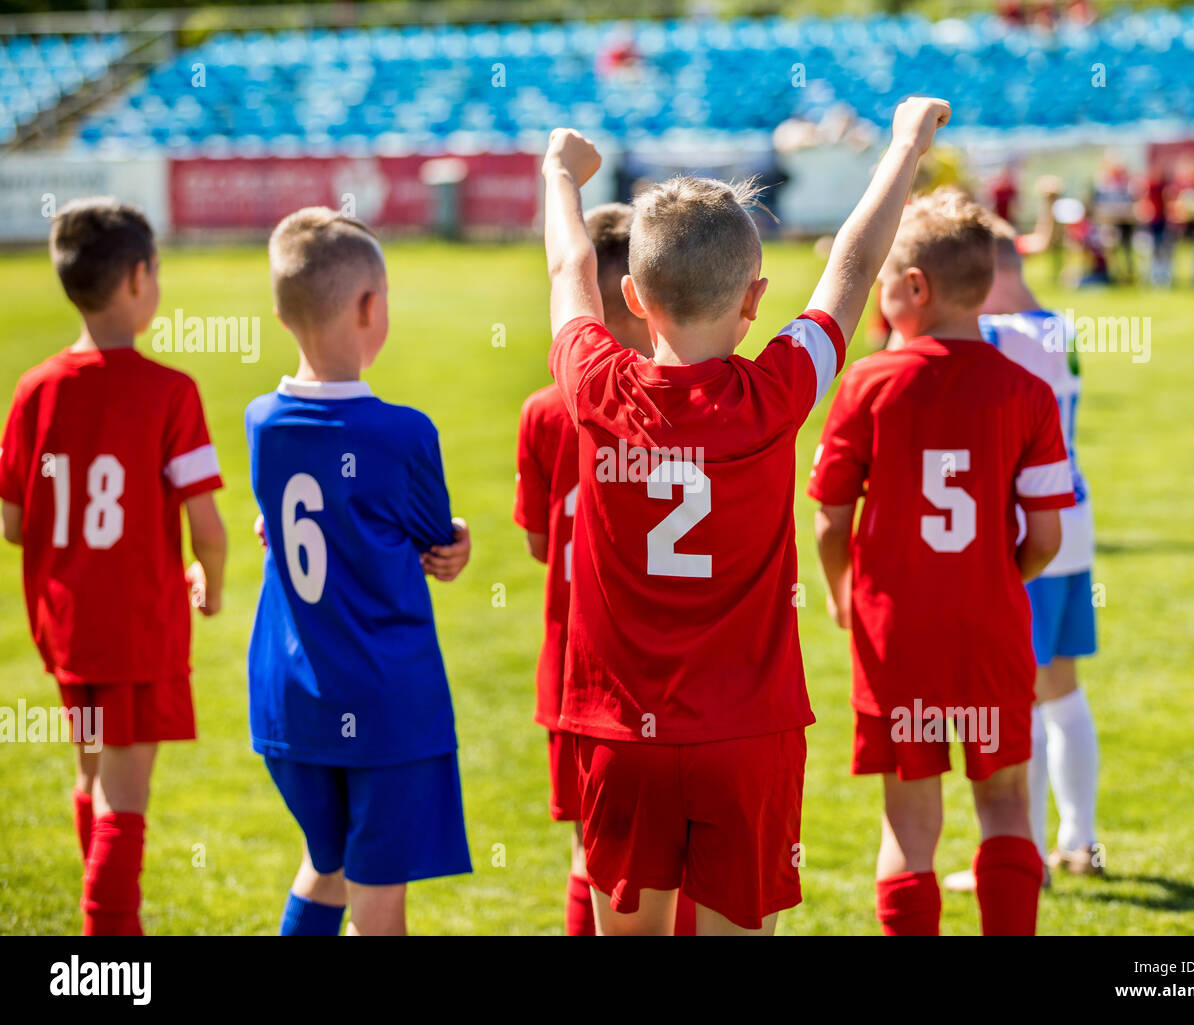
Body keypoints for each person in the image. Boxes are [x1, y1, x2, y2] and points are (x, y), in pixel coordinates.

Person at [541, 97, 951, 935]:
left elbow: (565, 275)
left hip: (623, 736)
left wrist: (557, 176)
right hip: (746, 733)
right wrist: (905, 145)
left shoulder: (594, 386)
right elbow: (853, 263)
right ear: (756, 297)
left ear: (634, 295)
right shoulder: (773, 394)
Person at [809, 189, 1073, 936]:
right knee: (1005, 804)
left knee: (909, 821)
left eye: (881, 278)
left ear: (913, 289)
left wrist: (841, 591)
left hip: (897, 635)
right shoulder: (1026, 388)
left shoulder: (865, 384)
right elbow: (1047, 536)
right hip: (988, 628)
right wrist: (994, 578)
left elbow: (830, 515)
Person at [0, 197, 227, 935]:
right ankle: (106, 955)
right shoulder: (170, 392)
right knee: (125, 802)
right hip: (137, 629)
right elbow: (209, 530)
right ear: (137, 279)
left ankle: (97, 921)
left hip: (67, 627)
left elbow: (11, 523)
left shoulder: (34, 389)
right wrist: (209, 583)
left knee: (92, 777)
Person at [246, 207, 473, 936]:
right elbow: (435, 541)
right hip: (382, 699)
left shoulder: (262, 422)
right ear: (371, 308)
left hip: (290, 699)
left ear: (283, 314)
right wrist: (458, 542)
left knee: (329, 864)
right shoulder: (405, 431)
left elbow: (285, 521)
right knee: (379, 897)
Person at [514, 203, 696, 935]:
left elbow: (535, 542)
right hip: (673, 672)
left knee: (594, 855)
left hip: (577, 677)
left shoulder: (547, 409)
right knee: (676, 863)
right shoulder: (694, 402)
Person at [944, 214, 1103, 895]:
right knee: (1062, 692)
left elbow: (926, 333)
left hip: (1028, 529)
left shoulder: (1003, 335)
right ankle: (1080, 839)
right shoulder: (1057, 326)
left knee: (1024, 699)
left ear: (997, 275)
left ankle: (1027, 853)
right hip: (1074, 522)